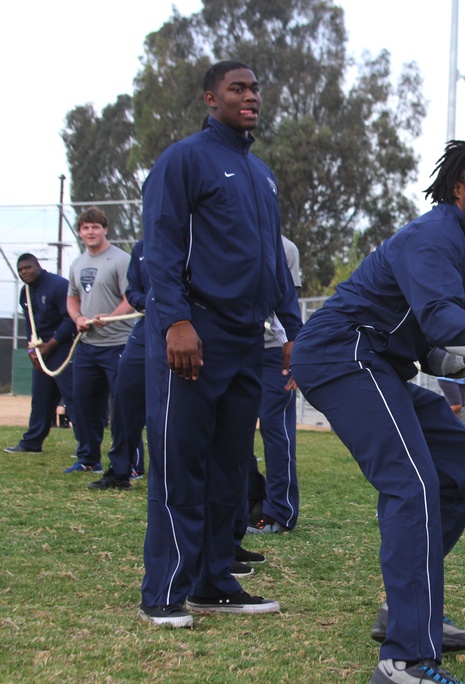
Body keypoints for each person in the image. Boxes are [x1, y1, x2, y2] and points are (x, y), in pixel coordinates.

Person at [290, 140, 465, 684]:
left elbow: (428, 343)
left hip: (378, 363)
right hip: (341, 354)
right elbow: (441, 319)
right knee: (412, 482)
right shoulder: (433, 234)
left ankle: (406, 609)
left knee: (463, 461)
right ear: (458, 189)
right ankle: (405, 660)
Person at [138, 60, 301, 628]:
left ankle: (213, 582)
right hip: (193, 337)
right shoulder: (184, 159)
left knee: (230, 468)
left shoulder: (260, 173)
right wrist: (175, 323)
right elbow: (158, 246)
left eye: (256, 87)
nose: (250, 95)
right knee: (180, 467)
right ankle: (162, 592)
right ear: (211, 98)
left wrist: (291, 331)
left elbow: (274, 264)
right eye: (238, 88)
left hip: (247, 342)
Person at [64, 207, 135, 474]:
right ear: (80, 232)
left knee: (124, 407)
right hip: (87, 346)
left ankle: (130, 464)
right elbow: (72, 297)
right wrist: (78, 317)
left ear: (105, 229)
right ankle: (88, 459)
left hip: (118, 344)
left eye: (95, 227)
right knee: (82, 404)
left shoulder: (121, 259)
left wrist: (112, 316)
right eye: (85, 228)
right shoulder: (77, 263)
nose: (90, 232)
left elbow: (132, 298)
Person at [246, 235, 302, 534]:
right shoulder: (226, 233)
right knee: (233, 429)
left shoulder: (286, 248)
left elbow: (288, 301)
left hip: (272, 352)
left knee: (274, 427)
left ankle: (280, 510)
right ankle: (251, 499)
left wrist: (294, 345)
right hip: (235, 347)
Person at [4, 254, 82, 456]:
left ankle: (85, 446)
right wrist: (32, 350)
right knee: (40, 398)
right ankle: (32, 442)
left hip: (63, 347)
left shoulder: (58, 285)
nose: (24, 273)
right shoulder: (26, 292)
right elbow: (31, 324)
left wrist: (52, 344)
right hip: (42, 351)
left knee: (73, 396)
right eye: (20, 270)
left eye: (28, 268)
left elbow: (70, 319)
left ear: (38, 266)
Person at [89, 239, 149, 490]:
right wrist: (153, 302)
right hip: (148, 328)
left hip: (191, 329)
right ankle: (121, 470)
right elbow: (133, 291)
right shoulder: (142, 248)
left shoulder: (197, 239)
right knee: (125, 394)